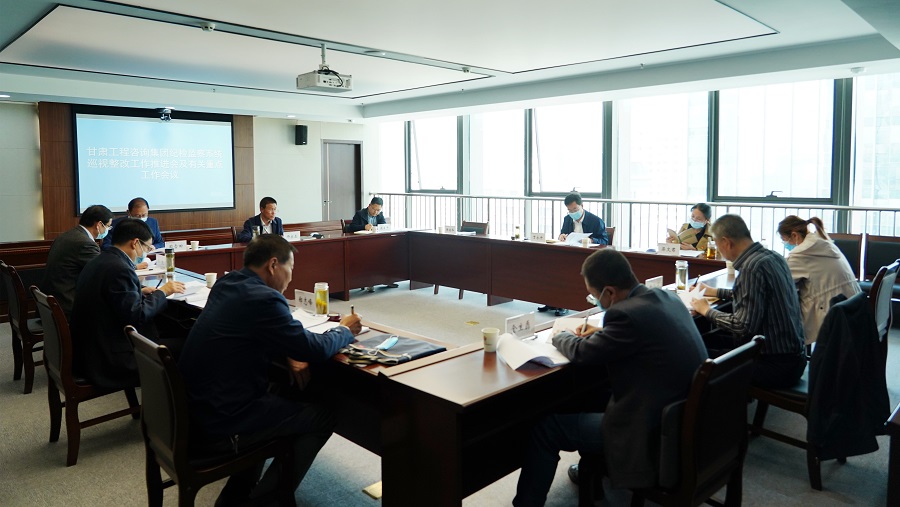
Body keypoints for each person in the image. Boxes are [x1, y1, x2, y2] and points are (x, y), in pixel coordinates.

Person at [178, 234, 363, 506]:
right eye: (291, 268)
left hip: (194, 411)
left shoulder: (227, 283)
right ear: (274, 265)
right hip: (223, 421)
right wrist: (343, 330)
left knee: (283, 390)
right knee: (321, 417)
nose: (291, 277)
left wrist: (289, 349)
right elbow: (312, 349)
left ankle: (238, 496)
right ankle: (266, 502)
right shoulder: (263, 299)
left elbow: (254, 331)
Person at [513, 249, 708, 506]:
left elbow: (582, 352)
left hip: (651, 430)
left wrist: (561, 336)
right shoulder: (666, 297)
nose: (596, 301)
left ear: (610, 292)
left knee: (546, 430)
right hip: (683, 416)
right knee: (590, 397)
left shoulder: (624, 315)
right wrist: (604, 331)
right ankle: (591, 477)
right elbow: (641, 332)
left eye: (594, 296)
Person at [691, 214, 806, 388]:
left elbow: (742, 326)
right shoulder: (773, 257)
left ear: (726, 242)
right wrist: (715, 291)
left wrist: (707, 310)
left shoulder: (751, 268)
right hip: (793, 357)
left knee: (695, 355)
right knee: (707, 341)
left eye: (716, 243)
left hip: (774, 365)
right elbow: (756, 294)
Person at [70, 219, 185, 389]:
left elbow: (110, 295)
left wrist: (139, 291)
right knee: (188, 344)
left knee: (169, 329)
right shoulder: (120, 269)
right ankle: (174, 401)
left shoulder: (101, 260)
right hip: (111, 359)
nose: (146, 252)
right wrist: (163, 292)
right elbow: (136, 316)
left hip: (90, 349)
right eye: (147, 248)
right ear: (135, 243)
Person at [778, 215, 861, 344]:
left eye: (784, 240)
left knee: (780, 316)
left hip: (831, 312)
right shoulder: (823, 243)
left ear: (794, 235)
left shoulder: (802, 254)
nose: (786, 245)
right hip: (852, 307)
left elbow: (780, 278)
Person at [539, 193, 609, 316]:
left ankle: (564, 304)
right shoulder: (567, 219)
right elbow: (563, 235)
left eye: (575, 209)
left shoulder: (596, 221)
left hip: (589, 257)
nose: (573, 213)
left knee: (567, 272)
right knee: (551, 267)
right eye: (570, 210)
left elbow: (604, 241)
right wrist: (562, 236)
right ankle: (552, 301)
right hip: (570, 254)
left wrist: (591, 240)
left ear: (582, 205)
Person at [42, 205, 113, 319]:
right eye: (108, 226)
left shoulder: (68, 235)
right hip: (68, 306)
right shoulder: (85, 243)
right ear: (99, 224)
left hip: (53, 302)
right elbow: (103, 273)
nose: (107, 230)